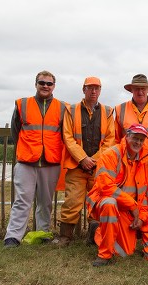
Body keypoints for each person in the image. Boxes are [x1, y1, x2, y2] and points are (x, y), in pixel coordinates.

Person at [4, 70, 66, 248]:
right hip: (26, 161)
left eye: (49, 83)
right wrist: (26, 148)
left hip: (51, 162)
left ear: (54, 86)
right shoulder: (23, 104)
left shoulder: (62, 107)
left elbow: (64, 134)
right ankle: (13, 237)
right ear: (36, 84)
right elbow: (15, 130)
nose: (45, 86)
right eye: (42, 83)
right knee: (22, 200)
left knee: (45, 202)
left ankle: (43, 233)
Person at [56, 76, 115, 247]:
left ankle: (94, 237)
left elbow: (110, 140)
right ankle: (65, 237)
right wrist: (82, 159)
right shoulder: (71, 110)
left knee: (96, 202)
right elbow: (67, 137)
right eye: (90, 88)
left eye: (97, 88)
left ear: (100, 91)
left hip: (98, 168)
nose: (93, 91)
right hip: (76, 166)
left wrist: (94, 160)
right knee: (72, 202)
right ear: (84, 89)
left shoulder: (108, 111)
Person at [85, 124, 148, 266]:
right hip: (104, 201)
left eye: (141, 139)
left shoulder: (145, 160)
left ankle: (97, 230)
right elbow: (106, 187)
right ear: (127, 136)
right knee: (110, 203)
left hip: (126, 208)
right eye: (135, 138)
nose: (138, 142)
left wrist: (142, 218)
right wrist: (133, 206)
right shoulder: (110, 155)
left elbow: (144, 195)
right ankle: (104, 255)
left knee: (125, 252)